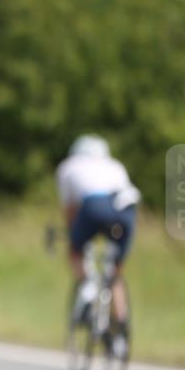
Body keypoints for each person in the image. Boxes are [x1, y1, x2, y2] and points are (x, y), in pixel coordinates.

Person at [56, 134, 140, 347]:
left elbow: (71, 210)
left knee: (75, 250)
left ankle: (88, 287)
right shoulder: (115, 165)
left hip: (95, 207)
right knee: (115, 272)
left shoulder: (68, 166)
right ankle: (120, 330)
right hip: (126, 213)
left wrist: (74, 236)